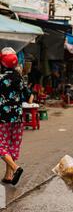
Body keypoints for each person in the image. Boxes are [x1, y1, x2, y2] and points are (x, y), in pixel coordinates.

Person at [0, 48, 33, 185]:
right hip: (18, 117)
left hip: (2, 118)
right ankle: (8, 176)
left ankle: (15, 168)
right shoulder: (19, 78)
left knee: (2, 145)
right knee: (13, 145)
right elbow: (29, 96)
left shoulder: (1, 79)